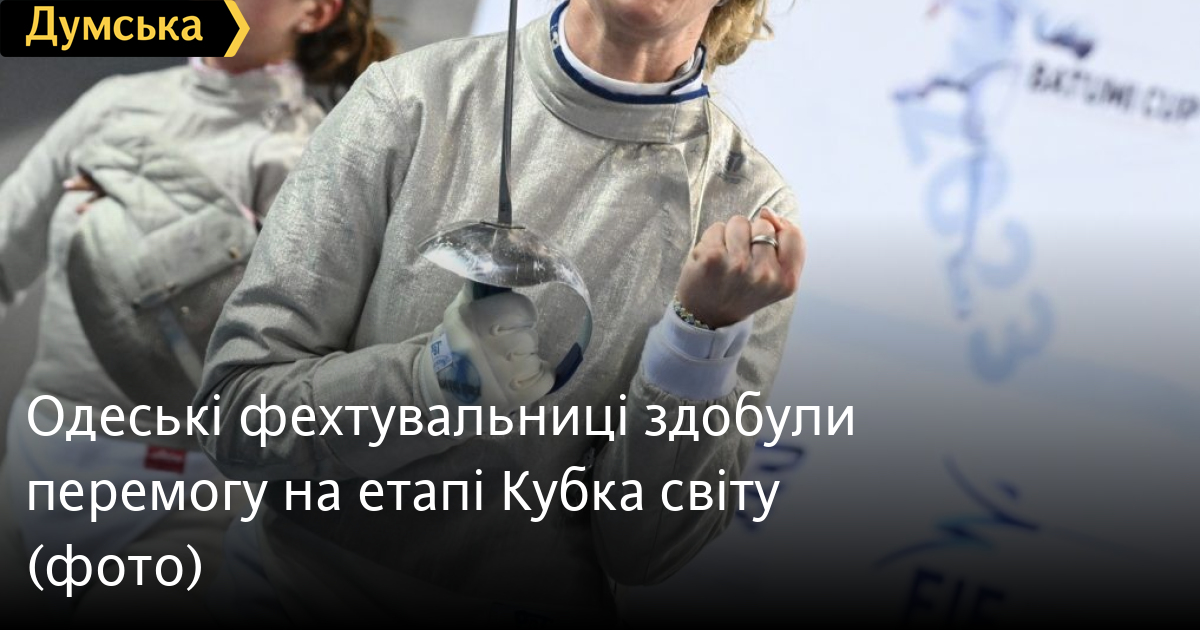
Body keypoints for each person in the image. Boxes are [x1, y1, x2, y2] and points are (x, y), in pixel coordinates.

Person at [197, 0, 804, 624]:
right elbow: (235, 414)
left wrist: (695, 345)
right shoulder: (409, 99)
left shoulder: (750, 217)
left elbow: (646, 551)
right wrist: (424, 387)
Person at [0, 0, 394, 622]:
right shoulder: (112, 105)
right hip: (37, 460)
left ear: (316, 13)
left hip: (180, 496)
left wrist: (154, 227)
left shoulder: (317, 151)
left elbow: (289, 353)